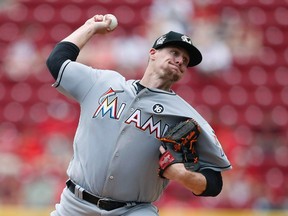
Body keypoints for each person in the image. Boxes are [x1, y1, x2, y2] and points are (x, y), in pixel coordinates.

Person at [46, 14, 232, 216]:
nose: (180, 60)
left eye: (185, 60)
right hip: (74, 205)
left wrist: (184, 176)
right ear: (152, 53)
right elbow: (57, 62)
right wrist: (90, 27)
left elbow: (214, 182)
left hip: (133, 210)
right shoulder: (103, 83)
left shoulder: (185, 116)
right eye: (174, 52)